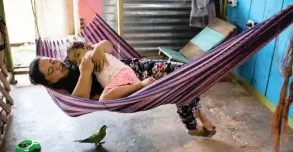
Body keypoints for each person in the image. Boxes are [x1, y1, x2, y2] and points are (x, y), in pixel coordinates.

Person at [29, 40, 216, 137]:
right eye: (51, 70)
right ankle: (193, 123)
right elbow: (80, 102)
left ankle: (197, 117)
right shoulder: (64, 89)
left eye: (52, 60)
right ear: (49, 82)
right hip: (125, 86)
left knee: (186, 76)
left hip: (134, 67)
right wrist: (86, 71)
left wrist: (99, 48)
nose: (57, 64)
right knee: (182, 83)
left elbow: (106, 44)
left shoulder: (71, 58)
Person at [66, 39, 156, 101]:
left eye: (77, 55)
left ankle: (140, 84)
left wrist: (98, 48)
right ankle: (140, 85)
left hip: (120, 75)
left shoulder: (90, 54)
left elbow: (107, 44)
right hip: (119, 81)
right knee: (105, 98)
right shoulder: (89, 62)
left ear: (85, 47)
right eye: (75, 62)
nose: (78, 61)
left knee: (104, 99)